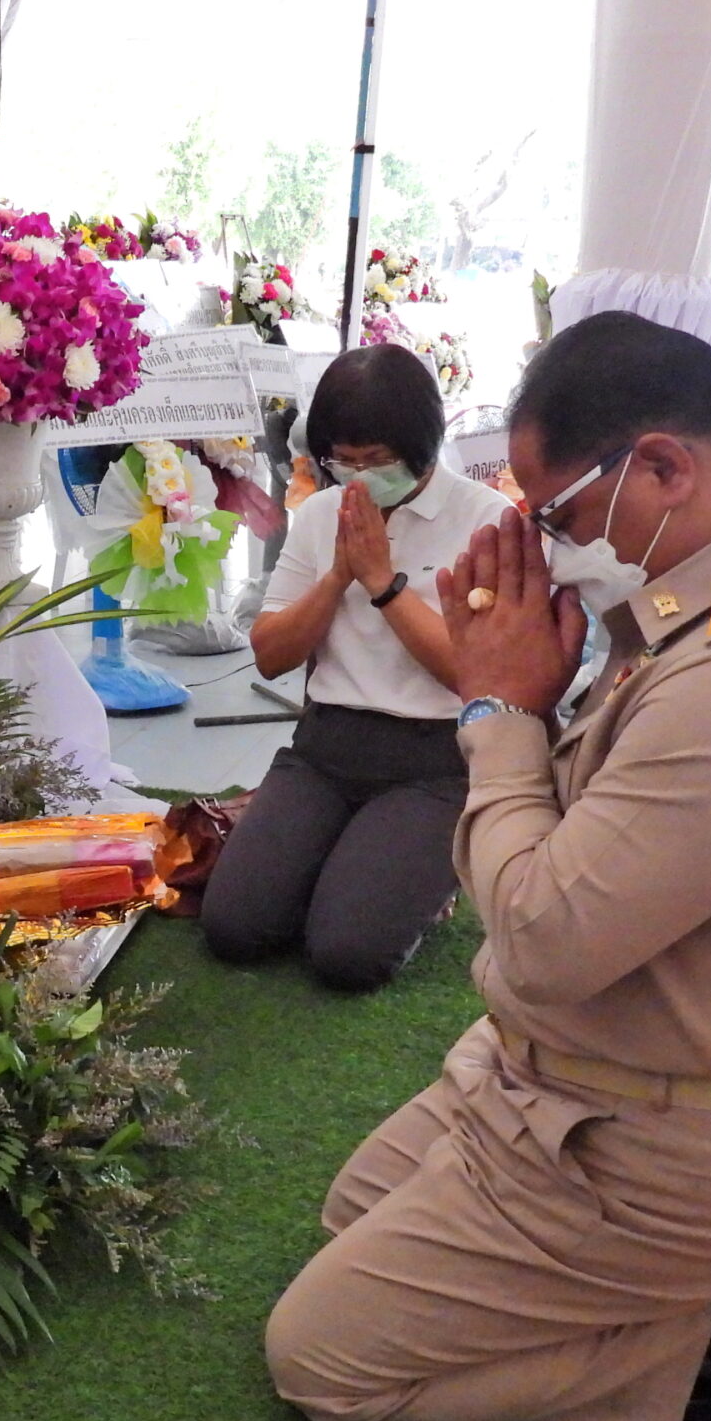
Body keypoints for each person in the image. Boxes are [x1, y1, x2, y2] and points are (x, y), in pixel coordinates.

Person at [263, 310, 711, 1421]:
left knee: (322, 1363)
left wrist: (497, 709)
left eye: (557, 516)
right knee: (351, 1216)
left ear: (662, 467)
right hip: (574, 1073)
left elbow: (541, 940)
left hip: (663, 1141)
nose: (545, 545)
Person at [202, 344, 513, 992]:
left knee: (347, 956)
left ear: (423, 446)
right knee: (235, 927)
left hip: (434, 761)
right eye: (344, 461)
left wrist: (381, 581)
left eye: (377, 460)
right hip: (325, 748)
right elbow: (271, 654)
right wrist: (337, 576)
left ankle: (427, 871)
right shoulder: (322, 514)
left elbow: (473, 676)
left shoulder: (486, 520)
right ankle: (345, 859)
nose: (361, 476)